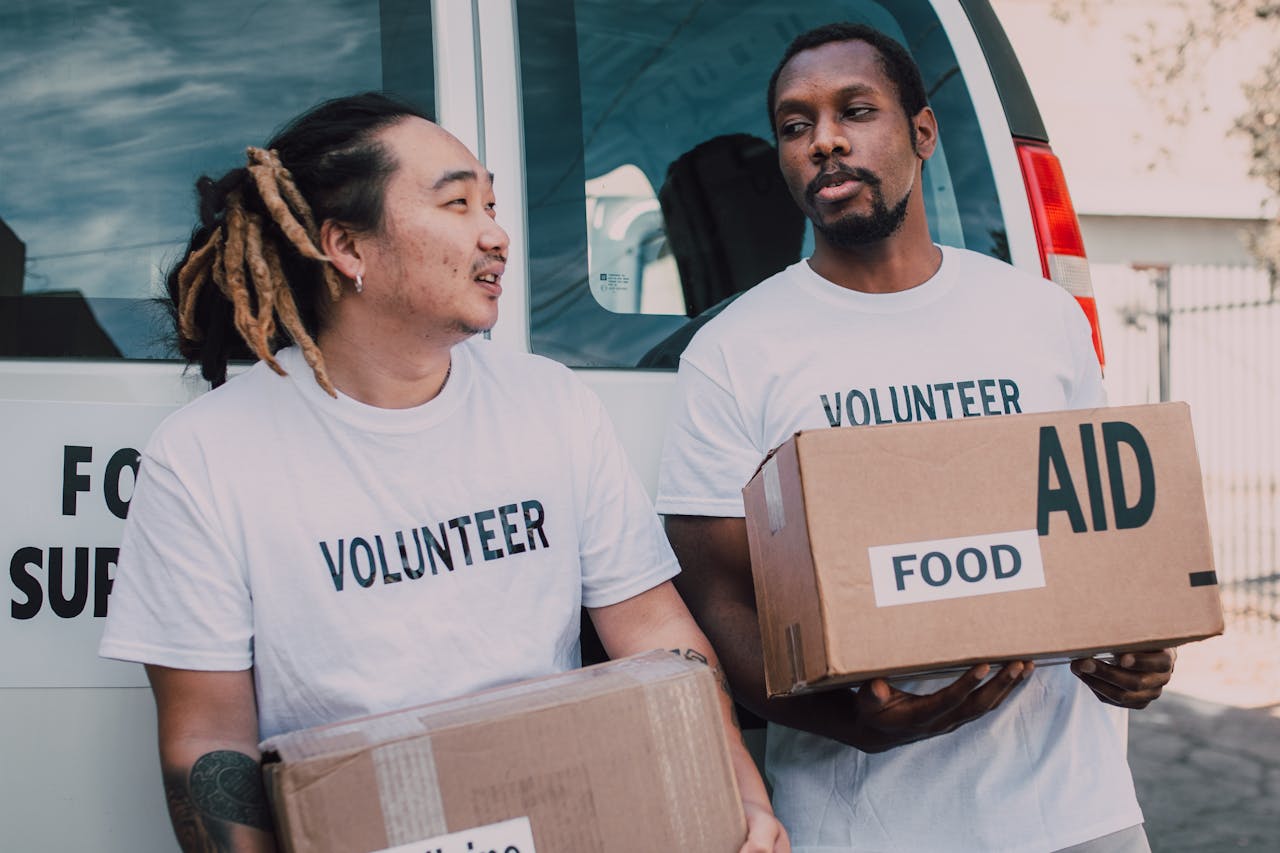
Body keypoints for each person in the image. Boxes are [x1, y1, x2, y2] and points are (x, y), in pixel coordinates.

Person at [98, 93, 786, 853]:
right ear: (347, 248)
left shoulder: (550, 403)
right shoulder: (205, 456)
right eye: (457, 203)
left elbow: (656, 633)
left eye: (489, 203)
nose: (495, 233)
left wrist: (742, 799)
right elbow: (206, 737)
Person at [656, 23, 1175, 853]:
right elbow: (715, 597)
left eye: (855, 110)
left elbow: (1100, 528)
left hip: (1076, 810)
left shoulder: (1038, 316)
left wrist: (1144, 649)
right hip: (867, 822)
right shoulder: (734, 351)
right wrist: (847, 721)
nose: (824, 140)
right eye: (796, 126)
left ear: (922, 133)